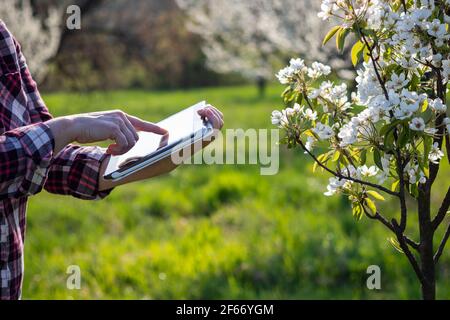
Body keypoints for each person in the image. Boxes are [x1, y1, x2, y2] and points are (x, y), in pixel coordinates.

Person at [0, 20, 223, 299]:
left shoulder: (3, 38)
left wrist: (139, 163)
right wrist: (68, 128)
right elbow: (47, 138)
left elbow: (44, 156)